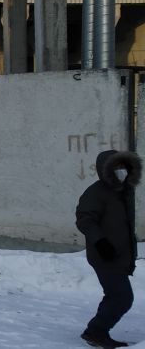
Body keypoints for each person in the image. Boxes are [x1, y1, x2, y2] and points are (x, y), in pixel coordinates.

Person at [76, 149, 141, 348]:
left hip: (121, 254)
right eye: (117, 167)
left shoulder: (125, 190)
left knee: (115, 295)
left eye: (123, 167)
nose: (121, 171)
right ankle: (95, 332)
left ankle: (96, 332)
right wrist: (101, 242)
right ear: (106, 170)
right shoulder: (96, 192)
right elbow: (85, 220)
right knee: (122, 297)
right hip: (104, 255)